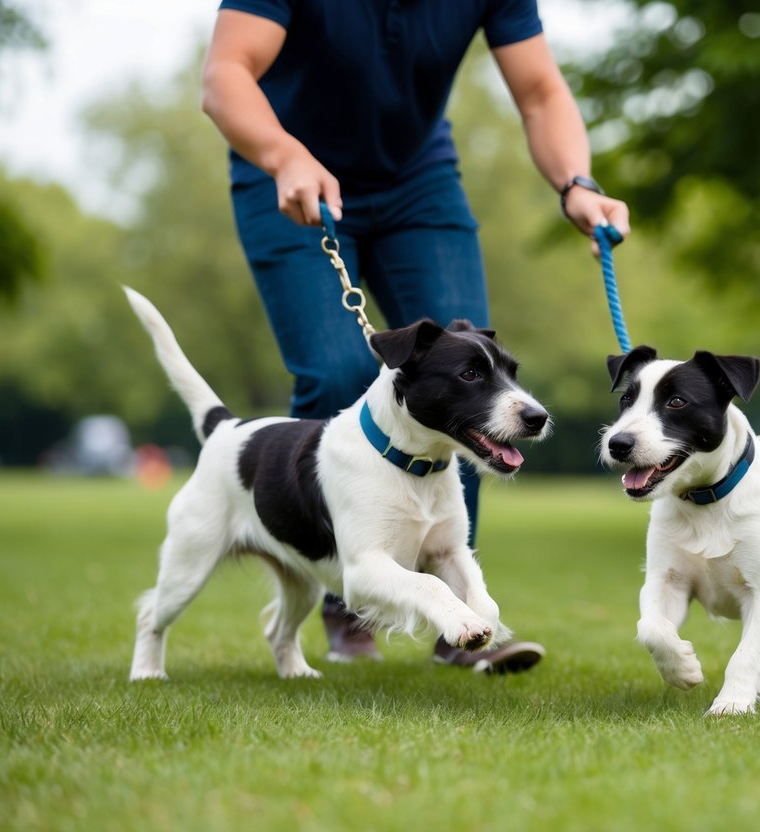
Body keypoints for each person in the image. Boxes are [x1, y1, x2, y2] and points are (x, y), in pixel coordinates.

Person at [201, 0, 630, 673]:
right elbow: (226, 73)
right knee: (337, 370)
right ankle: (352, 599)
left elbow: (541, 91)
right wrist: (281, 153)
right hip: (285, 170)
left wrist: (576, 182)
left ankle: (461, 623)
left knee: (469, 386)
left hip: (417, 181)